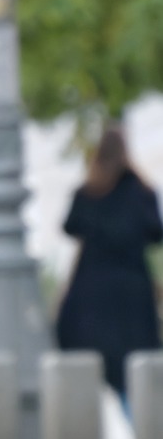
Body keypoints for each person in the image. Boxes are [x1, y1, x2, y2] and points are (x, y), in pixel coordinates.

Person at [55, 124, 163, 407]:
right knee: (134, 367)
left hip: (90, 293)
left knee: (89, 361)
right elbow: (155, 233)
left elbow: (70, 226)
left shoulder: (88, 192)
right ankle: (140, 429)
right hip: (133, 293)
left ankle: (87, 430)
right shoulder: (142, 193)